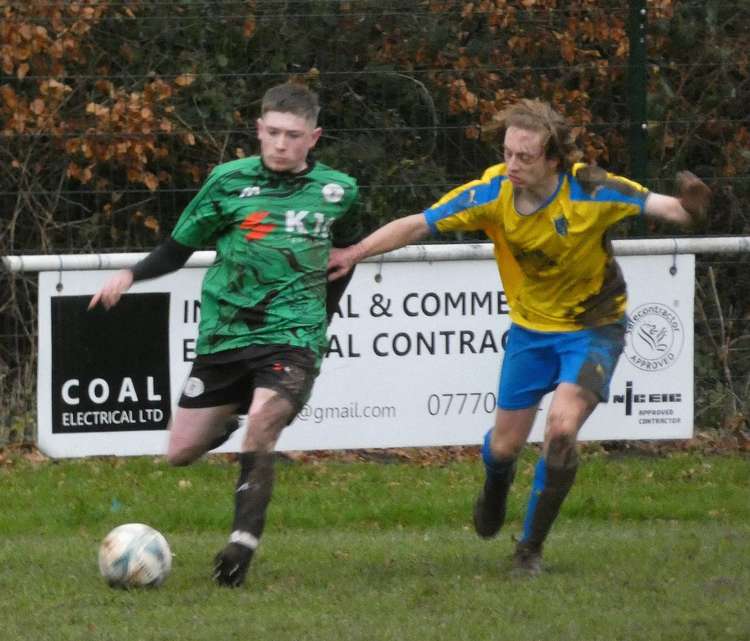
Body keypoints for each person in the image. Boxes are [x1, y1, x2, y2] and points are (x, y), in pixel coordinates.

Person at [327, 99, 710, 575]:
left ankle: (529, 548)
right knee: (504, 447)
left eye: (525, 157)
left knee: (562, 430)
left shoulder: (591, 188)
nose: (512, 164)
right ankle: (495, 484)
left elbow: (668, 208)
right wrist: (356, 252)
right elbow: (419, 223)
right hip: (530, 333)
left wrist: (692, 205)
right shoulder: (491, 192)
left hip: (593, 329)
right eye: (508, 152)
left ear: (554, 159)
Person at [90, 81, 362, 587]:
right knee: (180, 452)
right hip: (225, 336)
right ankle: (235, 409)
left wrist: (320, 327)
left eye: (294, 135)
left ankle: (242, 544)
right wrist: (130, 276)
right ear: (258, 130)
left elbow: (342, 264)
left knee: (265, 422)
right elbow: (176, 249)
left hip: (293, 336)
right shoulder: (226, 182)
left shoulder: (338, 191)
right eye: (273, 133)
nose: (282, 144)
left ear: (314, 137)